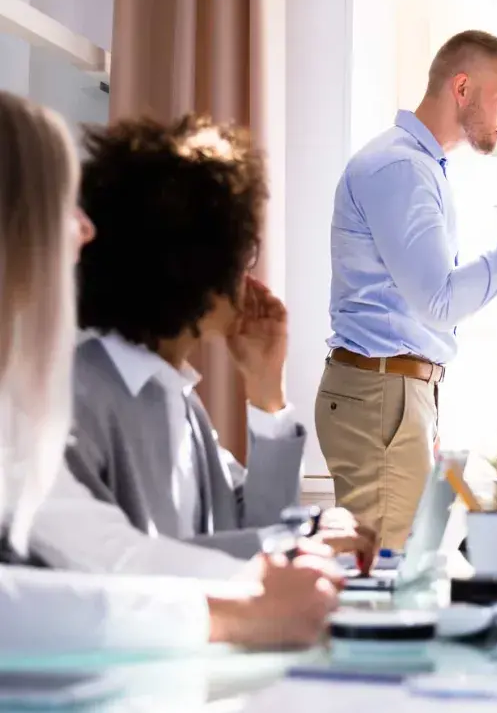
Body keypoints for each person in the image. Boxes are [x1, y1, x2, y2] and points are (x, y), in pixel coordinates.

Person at [0, 90, 340, 653]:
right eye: (62, 205)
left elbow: (112, 551)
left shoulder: (172, 394)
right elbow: (103, 564)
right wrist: (248, 599)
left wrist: (268, 394)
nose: (85, 232)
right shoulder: (64, 394)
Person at [316, 29, 497, 549]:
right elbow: (439, 302)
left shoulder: (416, 165)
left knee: (397, 564)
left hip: (393, 393)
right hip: (383, 393)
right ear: (463, 87)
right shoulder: (402, 168)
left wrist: (419, 405)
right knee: (389, 574)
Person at [61, 114, 375, 570]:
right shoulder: (77, 398)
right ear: (196, 265)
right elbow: (126, 566)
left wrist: (266, 392)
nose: (249, 276)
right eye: (244, 253)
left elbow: (257, 526)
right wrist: (295, 540)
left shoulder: (175, 397)